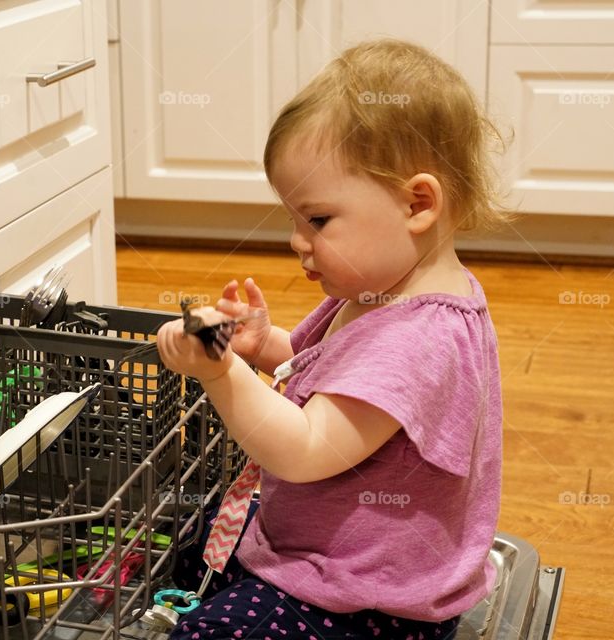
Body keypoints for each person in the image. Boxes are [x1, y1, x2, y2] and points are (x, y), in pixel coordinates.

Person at [156, 38, 508, 639]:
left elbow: (307, 448)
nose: (297, 240)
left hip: (366, 603)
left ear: (416, 203)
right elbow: (336, 379)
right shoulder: (382, 292)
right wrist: (267, 350)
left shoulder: (418, 337)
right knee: (198, 538)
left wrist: (219, 370)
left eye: (316, 219)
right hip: (335, 556)